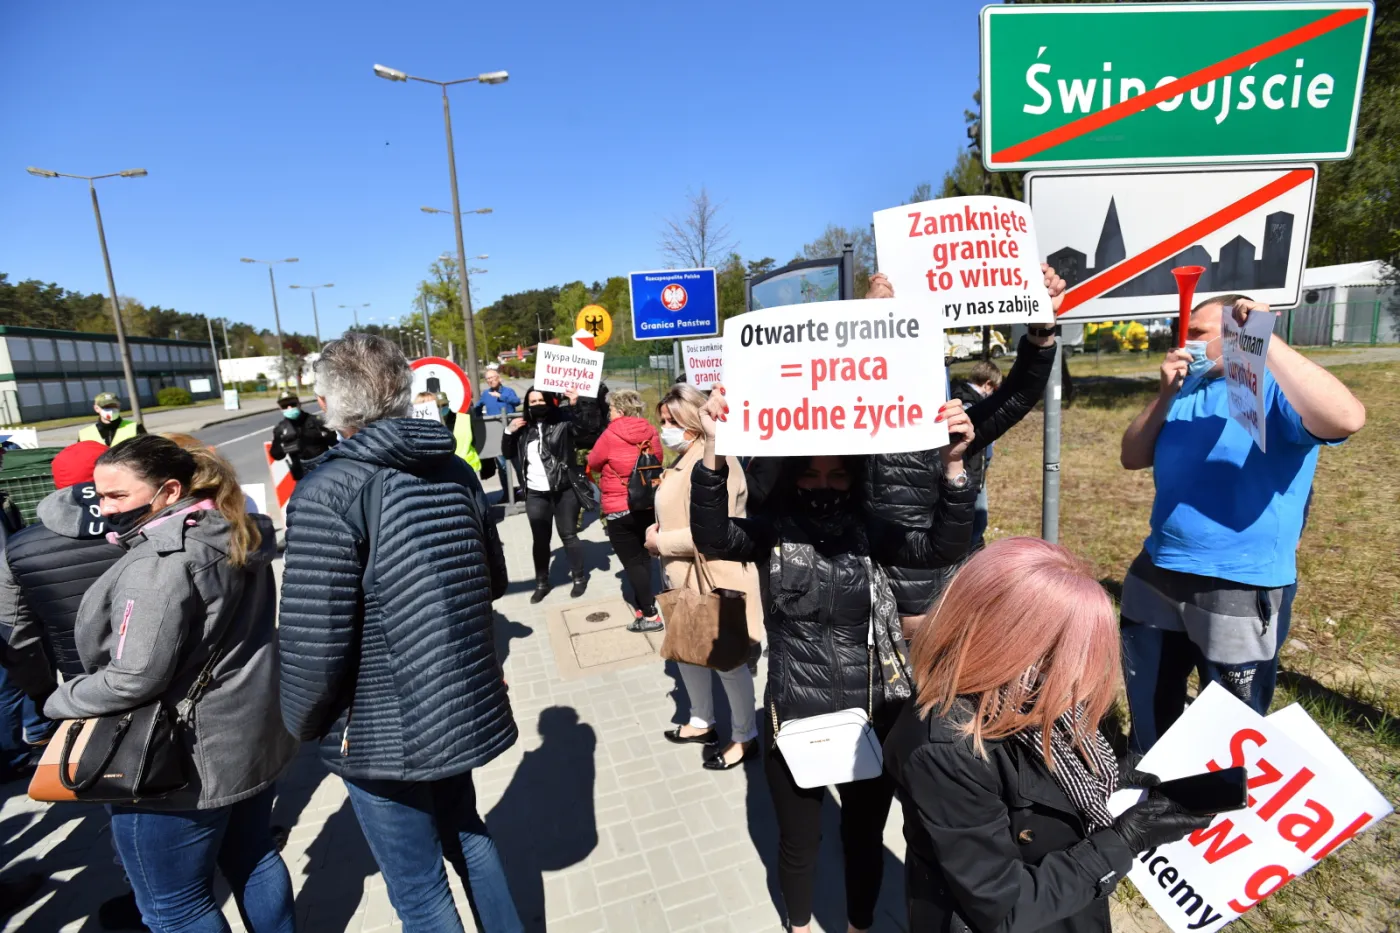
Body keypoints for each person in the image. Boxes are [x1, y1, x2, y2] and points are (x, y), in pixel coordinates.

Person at [691, 384, 978, 933]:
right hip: (793, 714)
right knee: (800, 842)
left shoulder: (872, 530)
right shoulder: (773, 531)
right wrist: (712, 448)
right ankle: (799, 925)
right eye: (810, 474)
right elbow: (711, 534)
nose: (823, 486)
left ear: (854, 477)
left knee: (864, 840)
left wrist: (955, 471)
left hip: (870, 718)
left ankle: (859, 925)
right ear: (792, 475)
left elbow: (942, 548)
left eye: (837, 475)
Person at [278, 334, 522, 933]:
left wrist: (299, 724)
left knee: (417, 889)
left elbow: (314, 644)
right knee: (469, 835)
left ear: (327, 401)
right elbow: (491, 577)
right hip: (454, 697)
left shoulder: (328, 491)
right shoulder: (455, 468)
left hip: (380, 725)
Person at [884, 537, 1213, 933]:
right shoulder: (945, 749)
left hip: (1067, 906)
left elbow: (1047, 788)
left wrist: (1115, 775)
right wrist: (1123, 842)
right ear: (1002, 643)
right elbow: (1003, 908)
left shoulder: (1025, 696)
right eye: (1057, 657)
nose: (1073, 680)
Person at [41, 434, 298, 933]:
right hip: (245, 735)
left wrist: (60, 701)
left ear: (170, 490)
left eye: (119, 497)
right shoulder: (233, 529)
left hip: (180, 761)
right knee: (254, 858)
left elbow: (132, 678)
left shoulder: (158, 565)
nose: (106, 509)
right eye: (99, 496)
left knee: (174, 907)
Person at [1118, 295, 1365, 753]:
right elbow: (1132, 456)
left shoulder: (1274, 388)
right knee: (1150, 702)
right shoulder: (1189, 384)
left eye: (1200, 332)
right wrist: (1165, 395)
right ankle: (1148, 781)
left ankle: (1215, 808)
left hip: (1239, 584)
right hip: (1158, 569)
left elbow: (1346, 418)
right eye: (1184, 332)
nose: (1186, 342)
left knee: (1231, 723)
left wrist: (1265, 340)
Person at [863, 266, 1067, 637]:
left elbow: (1017, 395)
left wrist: (1041, 331)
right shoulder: (851, 435)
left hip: (949, 618)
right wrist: (861, 322)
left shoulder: (954, 433)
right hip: (871, 627)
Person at [644, 384, 762, 770]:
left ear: (693, 421)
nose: (665, 429)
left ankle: (745, 736)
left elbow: (715, 530)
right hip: (683, 577)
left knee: (727, 661)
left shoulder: (716, 459)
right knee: (687, 653)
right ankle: (701, 720)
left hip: (714, 578)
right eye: (662, 421)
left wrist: (660, 541)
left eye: (672, 421)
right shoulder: (684, 457)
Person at [0, 442, 117, 773]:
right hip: (166, 670)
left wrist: (44, 695)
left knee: (107, 772)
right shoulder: (145, 528)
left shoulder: (21, 548)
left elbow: (16, 641)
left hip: (81, 682)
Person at [587, 389, 663, 632]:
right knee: (643, 556)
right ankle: (645, 600)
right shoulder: (651, 431)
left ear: (619, 410)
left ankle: (650, 615)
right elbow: (658, 459)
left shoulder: (610, 434)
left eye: (610, 410)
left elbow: (594, 462)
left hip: (620, 507)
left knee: (631, 561)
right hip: (648, 504)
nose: (608, 414)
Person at [503, 387, 589, 603]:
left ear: (549, 401)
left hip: (563, 490)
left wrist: (575, 405)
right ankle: (542, 583)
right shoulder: (523, 429)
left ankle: (579, 578)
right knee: (540, 540)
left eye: (541, 399)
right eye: (532, 401)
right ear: (527, 405)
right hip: (535, 493)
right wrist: (508, 432)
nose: (537, 404)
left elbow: (584, 432)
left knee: (568, 534)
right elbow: (507, 453)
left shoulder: (562, 422)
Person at [958, 359, 1003, 550]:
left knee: (976, 520)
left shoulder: (967, 398)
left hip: (976, 470)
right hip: (970, 471)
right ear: (987, 385)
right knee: (977, 519)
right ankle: (969, 557)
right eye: (994, 390)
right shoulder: (969, 404)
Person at [269, 389, 337, 480]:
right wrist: (281, 444)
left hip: (324, 472)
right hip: (301, 476)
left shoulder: (316, 421)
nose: (289, 408)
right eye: (285, 406)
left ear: (299, 404)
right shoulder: (280, 429)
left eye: (292, 404)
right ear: (280, 408)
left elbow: (335, 443)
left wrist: (323, 435)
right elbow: (277, 455)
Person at [477, 364, 522, 493]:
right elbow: (478, 407)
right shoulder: (486, 394)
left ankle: (525, 491)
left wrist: (501, 397)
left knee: (518, 465)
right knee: (502, 468)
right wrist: (478, 421)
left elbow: (516, 402)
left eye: (492, 377)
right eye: (487, 379)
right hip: (496, 437)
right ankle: (507, 493)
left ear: (499, 378)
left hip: (512, 436)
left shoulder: (508, 391)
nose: (490, 380)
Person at [78, 392, 146, 447]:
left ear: (119, 407)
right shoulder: (85, 434)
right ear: (96, 408)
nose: (111, 410)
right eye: (106, 407)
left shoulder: (135, 428)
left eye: (114, 406)